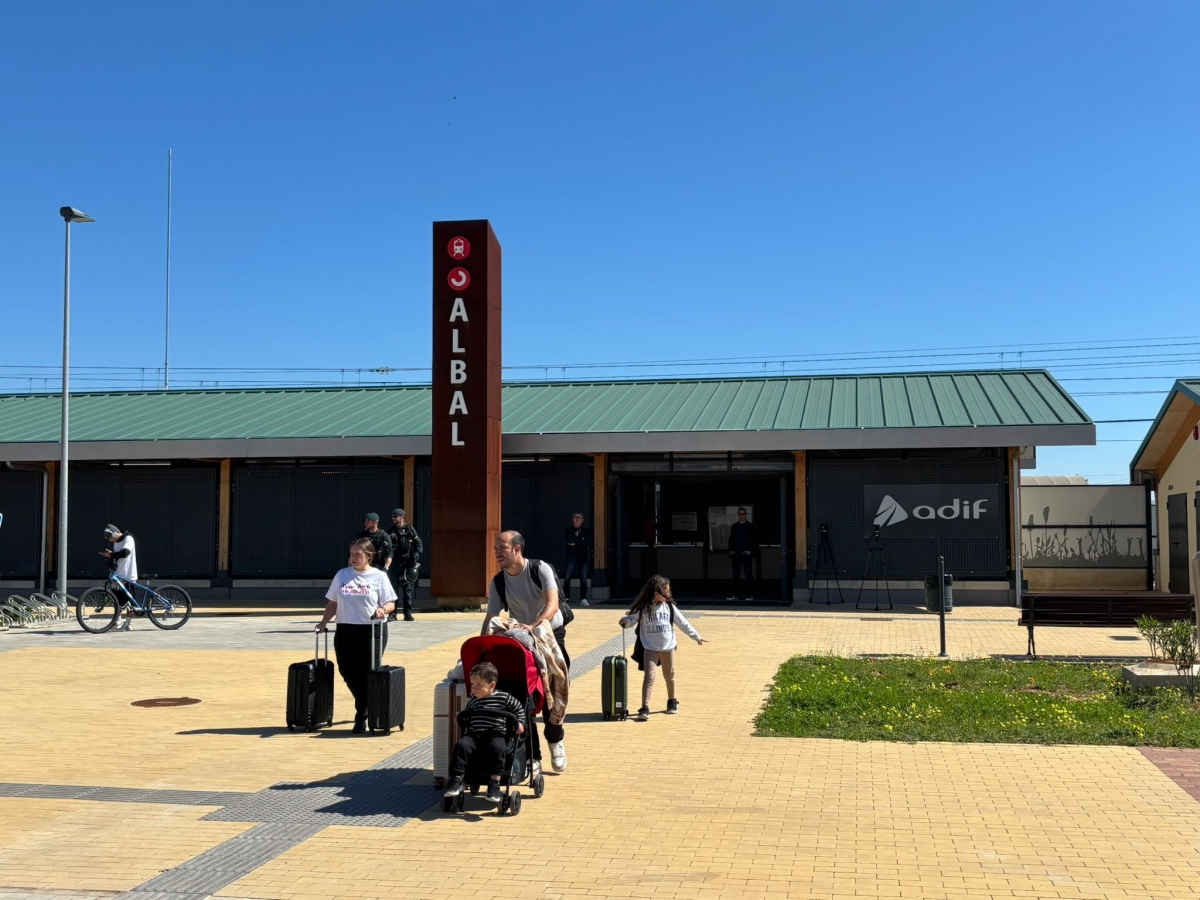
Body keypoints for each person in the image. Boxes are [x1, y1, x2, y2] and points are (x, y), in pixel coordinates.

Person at [482, 530, 570, 773]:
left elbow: (552, 604)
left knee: (554, 694)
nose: (497, 552)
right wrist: (482, 647)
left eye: (502, 548)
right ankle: (534, 756)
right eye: (495, 549)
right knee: (525, 699)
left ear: (517, 549)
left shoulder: (539, 569)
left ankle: (555, 739)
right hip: (520, 640)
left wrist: (534, 625)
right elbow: (491, 618)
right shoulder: (498, 581)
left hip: (549, 634)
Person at [315, 538, 397, 733]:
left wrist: (382, 610)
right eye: (351, 554)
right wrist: (324, 622)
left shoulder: (378, 577)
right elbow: (333, 603)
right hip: (345, 629)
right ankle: (367, 705)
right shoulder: (342, 575)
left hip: (371, 630)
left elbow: (391, 603)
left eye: (358, 554)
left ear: (368, 555)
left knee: (368, 672)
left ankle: (362, 715)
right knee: (347, 671)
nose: (353, 557)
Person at [620, 574, 706, 721]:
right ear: (656, 593)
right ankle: (645, 707)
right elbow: (631, 619)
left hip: (668, 647)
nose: (669, 594)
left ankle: (672, 701)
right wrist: (625, 621)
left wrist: (696, 636)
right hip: (650, 647)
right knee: (649, 676)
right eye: (666, 591)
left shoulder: (670, 608)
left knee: (669, 675)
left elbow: (683, 623)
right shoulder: (644, 609)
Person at [442, 661, 526, 804]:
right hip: (475, 734)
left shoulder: (504, 697)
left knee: (498, 748)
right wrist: (462, 717)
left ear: (492, 685)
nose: (474, 688)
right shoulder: (474, 698)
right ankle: (456, 780)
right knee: (461, 745)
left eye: (478, 685)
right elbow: (468, 712)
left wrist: (519, 722)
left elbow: (518, 709)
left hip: (496, 734)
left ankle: (494, 784)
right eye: (472, 684)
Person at [100, 524, 139, 632]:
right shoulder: (116, 542)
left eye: (110, 537)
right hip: (118, 574)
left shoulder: (128, 539)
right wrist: (108, 556)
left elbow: (125, 553)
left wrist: (112, 554)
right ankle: (117, 622)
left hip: (128, 575)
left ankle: (128, 623)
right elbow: (117, 556)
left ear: (115, 534)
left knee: (129, 601)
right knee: (117, 599)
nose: (110, 540)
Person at [386, 508, 422, 622]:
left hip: (407, 563)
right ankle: (392, 614)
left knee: (408, 590)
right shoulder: (390, 531)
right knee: (393, 590)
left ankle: (407, 613)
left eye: (395, 517)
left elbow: (419, 545)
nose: (393, 519)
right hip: (395, 564)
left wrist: (415, 555)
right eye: (392, 517)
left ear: (401, 517)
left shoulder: (411, 530)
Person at [727, 507, 758, 601]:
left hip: (746, 554)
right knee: (735, 575)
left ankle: (750, 595)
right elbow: (731, 539)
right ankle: (734, 595)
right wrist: (731, 550)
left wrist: (751, 551)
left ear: (746, 515)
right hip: (736, 554)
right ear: (738, 515)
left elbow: (755, 540)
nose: (741, 516)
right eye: (740, 514)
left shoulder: (751, 526)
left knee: (748, 574)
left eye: (743, 514)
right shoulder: (735, 526)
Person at [562, 511, 591, 608]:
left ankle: (583, 598)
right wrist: (580, 540)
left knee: (583, 579)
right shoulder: (568, 530)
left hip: (582, 557)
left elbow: (587, 541)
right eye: (575, 518)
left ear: (582, 520)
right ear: (572, 519)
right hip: (571, 557)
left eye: (579, 518)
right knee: (567, 578)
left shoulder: (586, 531)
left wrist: (576, 543)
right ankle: (566, 597)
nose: (577, 520)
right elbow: (568, 540)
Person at [356, 513, 393, 577]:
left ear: (375, 522)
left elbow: (389, 554)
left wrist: (386, 568)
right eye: (365, 521)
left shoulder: (383, 536)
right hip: (364, 566)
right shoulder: (362, 535)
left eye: (368, 521)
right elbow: (355, 550)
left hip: (378, 567)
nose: (366, 523)